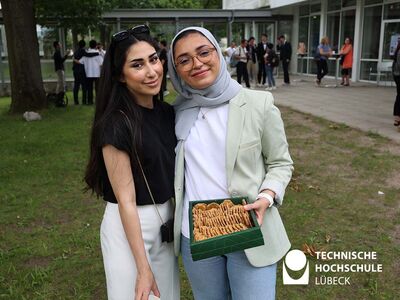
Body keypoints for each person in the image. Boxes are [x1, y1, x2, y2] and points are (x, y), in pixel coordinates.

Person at [168, 26, 293, 300]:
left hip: (249, 227)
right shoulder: (175, 113)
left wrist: (267, 195)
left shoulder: (258, 104)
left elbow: (281, 163)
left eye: (203, 53)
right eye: (184, 60)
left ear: (219, 53)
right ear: (175, 68)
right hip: (197, 233)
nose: (197, 64)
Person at [84, 25, 179, 300]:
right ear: (119, 76)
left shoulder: (167, 113)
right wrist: (142, 267)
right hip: (129, 225)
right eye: (137, 65)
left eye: (154, 59)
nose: (151, 71)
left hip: (166, 221)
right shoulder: (115, 124)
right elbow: (126, 200)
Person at [72, 40, 99, 105]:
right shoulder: (83, 51)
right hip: (81, 71)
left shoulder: (76, 51)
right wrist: (97, 53)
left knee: (76, 86)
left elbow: (75, 59)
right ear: (84, 45)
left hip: (75, 71)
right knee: (84, 86)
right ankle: (84, 101)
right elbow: (89, 55)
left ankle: (76, 101)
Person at [79, 40, 103, 105]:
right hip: (97, 73)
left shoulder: (86, 53)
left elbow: (80, 62)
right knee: (97, 88)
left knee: (89, 88)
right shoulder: (98, 53)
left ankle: (90, 101)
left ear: (89, 45)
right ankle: (98, 101)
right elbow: (101, 64)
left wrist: (74, 60)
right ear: (96, 45)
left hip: (88, 73)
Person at [392, 36, 400, 127]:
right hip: (399, 76)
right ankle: (397, 118)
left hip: (397, 76)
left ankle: (397, 118)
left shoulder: (397, 51)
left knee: (399, 96)